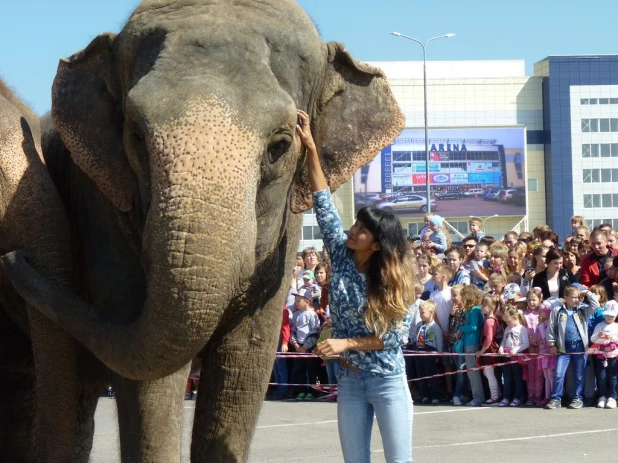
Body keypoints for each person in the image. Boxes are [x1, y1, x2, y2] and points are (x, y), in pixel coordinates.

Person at [298, 110, 414, 462]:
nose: (353, 230)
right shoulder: (342, 255)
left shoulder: (393, 281)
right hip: (349, 381)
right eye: (356, 224)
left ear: (376, 243)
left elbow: (394, 338)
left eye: (362, 229)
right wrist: (310, 148)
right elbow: (323, 204)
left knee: (399, 460)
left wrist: (345, 342)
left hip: (387, 381)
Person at [545, 285, 600, 409]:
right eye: (574, 297)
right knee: (559, 374)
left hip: (580, 347)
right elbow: (551, 328)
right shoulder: (557, 311)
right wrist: (552, 344)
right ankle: (555, 398)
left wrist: (588, 294)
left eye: (578, 297)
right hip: (564, 348)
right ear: (565, 297)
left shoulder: (582, 309)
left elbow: (596, 306)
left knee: (580, 375)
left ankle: (577, 398)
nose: (577, 300)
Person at [289, 288, 320, 400]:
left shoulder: (313, 315)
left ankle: (311, 391)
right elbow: (292, 331)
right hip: (298, 347)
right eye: (295, 301)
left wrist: (306, 346)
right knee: (299, 369)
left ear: (307, 301)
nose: (296, 303)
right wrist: (295, 344)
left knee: (310, 370)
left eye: (298, 301)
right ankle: (301, 391)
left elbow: (314, 333)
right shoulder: (296, 315)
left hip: (309, 348)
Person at [457, 285, 485, 406]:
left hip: (472, 343)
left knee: (472, 372)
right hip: (470, 342)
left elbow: (474, 327)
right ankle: (476, 396)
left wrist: (461, 328)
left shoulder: (475, 310)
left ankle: (478, 397)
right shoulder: (475, 309)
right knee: (470, 371)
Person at [413, 300, 444, 405]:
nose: (420, 315)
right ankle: (424, 395)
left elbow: (439, 341)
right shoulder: (419, 325)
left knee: (432, 376)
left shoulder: (435, 327)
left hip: (430, 353)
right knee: (421, 375)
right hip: (419, 352)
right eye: (420, 312)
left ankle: (435, 396)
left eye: (423, 312)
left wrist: (438, 354)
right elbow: (415, 337)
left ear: (431, 312)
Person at [498, 307, 529, 407]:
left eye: (508, 321)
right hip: (507, 356)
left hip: (517, 358)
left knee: (517, 378)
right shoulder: (507, 328)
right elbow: (504, 340)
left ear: (515, 318)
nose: (507, 324)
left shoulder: (522, 329)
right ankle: (506, 397)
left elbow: (526, 344)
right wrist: (501, 348)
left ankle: (518, 397)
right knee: (506, 378)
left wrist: (516, 350)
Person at [589, 301, 618, 409]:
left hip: (613, 356)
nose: (609, 317)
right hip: (600, 356)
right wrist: (598, 335)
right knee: (601, 377)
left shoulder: (616, 326)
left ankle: (612, 397)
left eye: (612, 315)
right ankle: (602, 396)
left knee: (612, 377)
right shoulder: (599, 325)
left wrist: (612, 337)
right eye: (607, 315)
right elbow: (592, 339)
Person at [477, 295, 503, 406]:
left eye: (485, 305)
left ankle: (494, 397)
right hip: (489, 350)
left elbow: (489, 339)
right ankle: (497, 393)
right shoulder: (493, 320)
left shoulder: (489, 322)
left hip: (489, 351)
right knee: (487, 372)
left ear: (492, 307)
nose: (482, 307)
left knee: (489, 373)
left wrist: (481, 352)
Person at [523, 288, 544, 406]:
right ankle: (530, 396)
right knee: (530, 375)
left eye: (534, 300)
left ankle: (538, 396)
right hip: (529, 349)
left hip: (541, 348)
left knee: (539, 375)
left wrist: (539, 344)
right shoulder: (524, 314)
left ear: (540, 300)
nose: (531, 303)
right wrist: (530, 344)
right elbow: (523, 331)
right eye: (529, 300)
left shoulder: (542, 313)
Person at [536, 301, 557, 407]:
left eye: (542, 311)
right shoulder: (542, 323)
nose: (540, 312)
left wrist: (540, 325)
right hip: (542, 352)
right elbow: (538, 337)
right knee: (545, 375)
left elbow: (546, 336)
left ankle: (554, 396)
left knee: (551, 375)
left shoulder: (550, 322)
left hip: (549, 353)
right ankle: (547, 396)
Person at [449, 284, 467, 405]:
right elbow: (450, 327)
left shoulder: (465, 310)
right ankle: (462, 394)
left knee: (461, 370)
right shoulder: (455, 310)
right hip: (454, 344)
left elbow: (463, 327)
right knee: (458, 369)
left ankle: (457, 394)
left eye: (455, 295)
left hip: (463, 345)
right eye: (452, 296)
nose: (453, 298)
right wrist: (451, 315)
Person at [430, 264, 453, 338]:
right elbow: (433, 314)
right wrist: (441, 330)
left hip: (453, 330)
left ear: (443, 277)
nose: (432, 276)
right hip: (439, 330)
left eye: (435, 274)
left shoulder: (452, 292)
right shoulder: (433, 294)